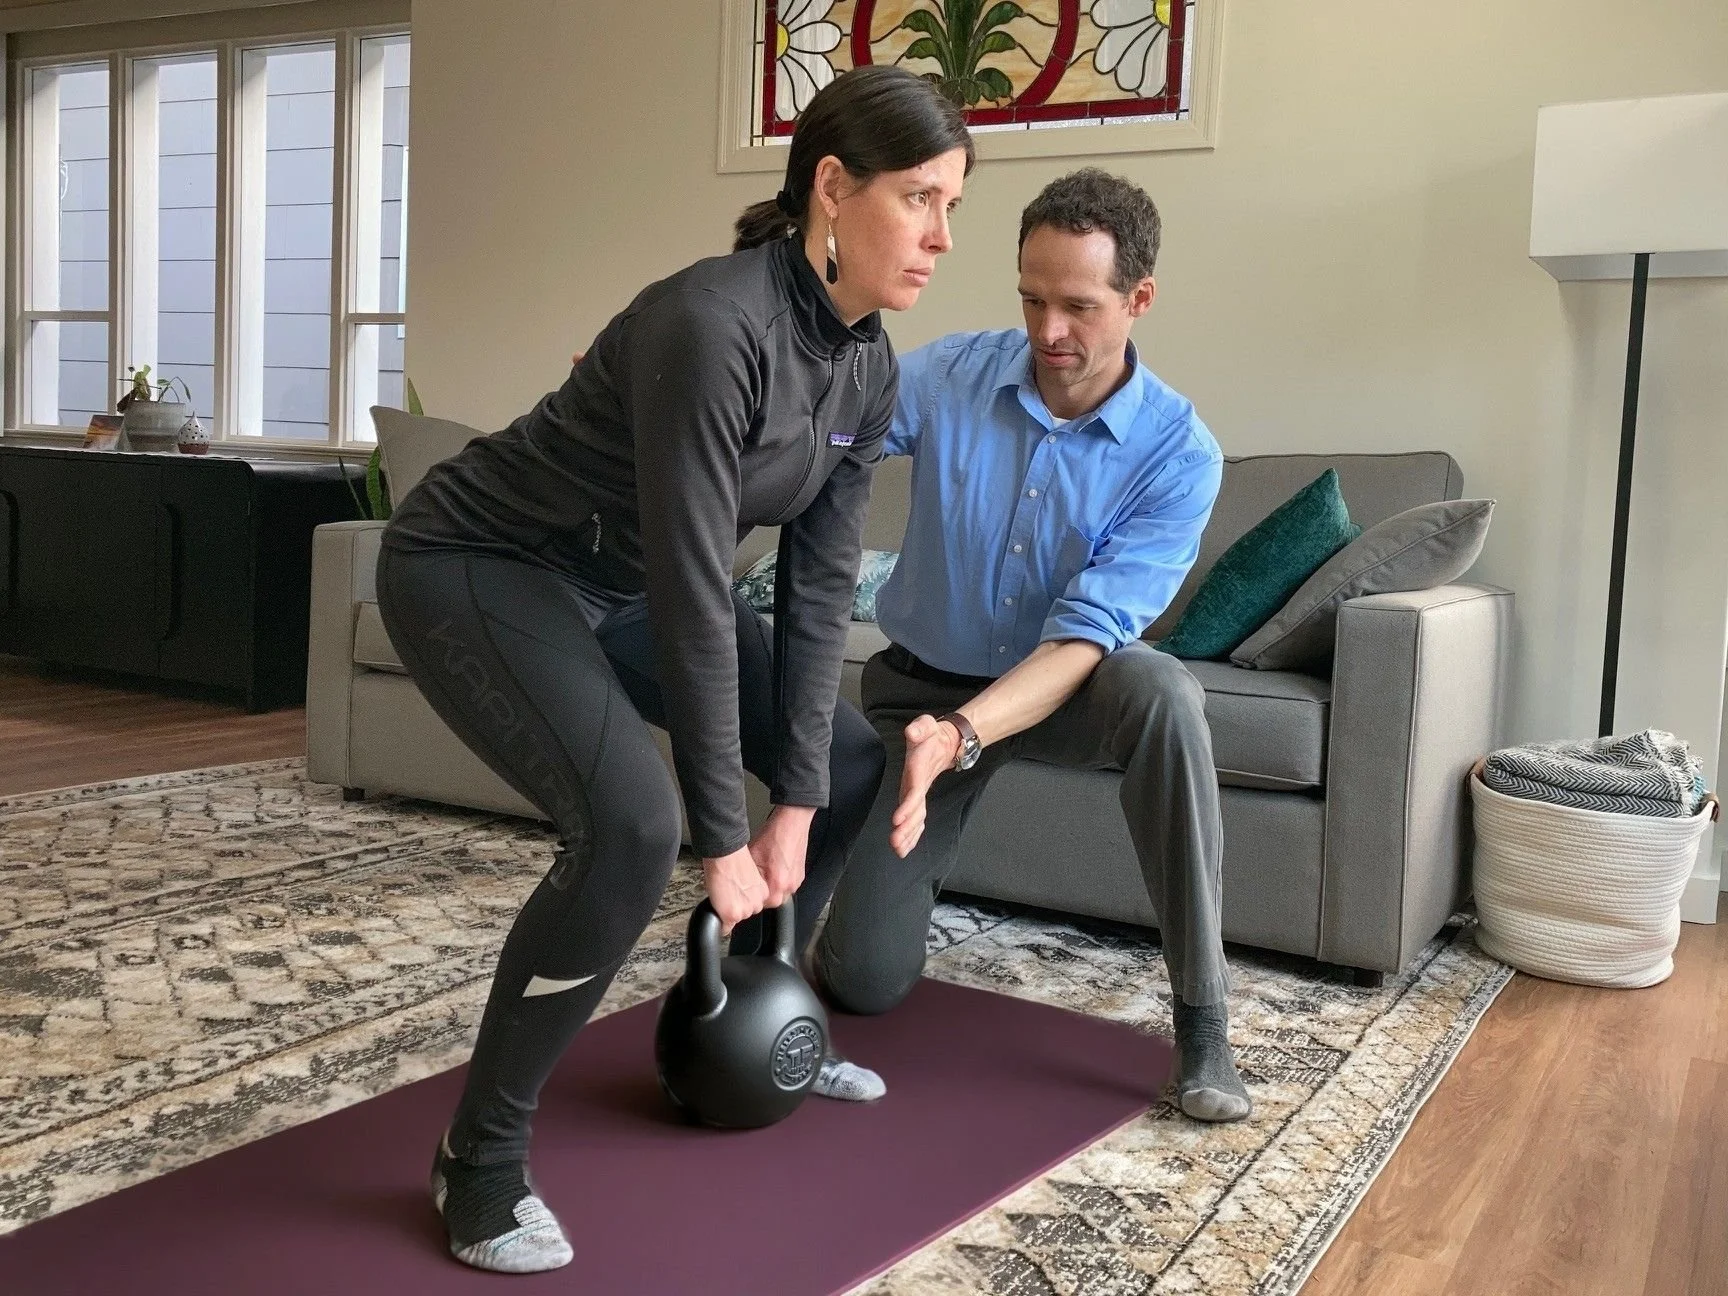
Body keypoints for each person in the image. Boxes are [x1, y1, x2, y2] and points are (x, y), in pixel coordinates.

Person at [374, 65, 972, 1274]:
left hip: (622, 588)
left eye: (952, 204)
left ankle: (753, 1024)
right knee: (633, 830)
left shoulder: (867, 366)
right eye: (919, 199)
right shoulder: (712, 325)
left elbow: (813, 589)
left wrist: (793, 806)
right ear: (833, 188)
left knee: (847, 764)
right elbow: (700, 589)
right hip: (483, 564)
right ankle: (479, 1164)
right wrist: (722, 830)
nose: (941, 237)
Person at [814, 168, 1252, 1124]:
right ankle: (867, 912)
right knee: (861, 983)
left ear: (1139, 299)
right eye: (1031, 298)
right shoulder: (953, 375)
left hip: (1062, 695)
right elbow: (833, 421)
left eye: (1079, 306)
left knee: (1164, 691)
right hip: (921, 692)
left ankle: (1206, 1026)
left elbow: (1089, 638)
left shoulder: (1180, 454)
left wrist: (965, 735)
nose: (1049, 331)